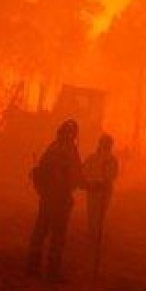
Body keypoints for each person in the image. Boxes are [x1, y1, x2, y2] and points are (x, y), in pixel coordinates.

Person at [26, 119, 83, 282]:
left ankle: (33, 267)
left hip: (49, 198)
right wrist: (89, 185)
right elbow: (74, 176)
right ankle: (51, 272)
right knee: (56, 236)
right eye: (71, 133)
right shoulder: (64, 150)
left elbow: (75, 175)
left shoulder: (55, 147)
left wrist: (90, 185)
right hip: (58, 198)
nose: (72, 136)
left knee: (41, 232)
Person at [82, 133, 119, 271]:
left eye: (108, 144)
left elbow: (113, 175)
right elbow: (84, 171)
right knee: (93, 215)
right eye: (106, 143)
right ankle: (92, 238)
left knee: (98, 215)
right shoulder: (93, 158)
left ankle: (94, 238)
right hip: (94, 190)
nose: (107, 146)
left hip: (103, 191)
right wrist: (92, 182)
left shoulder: (111, 160)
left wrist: (103, 182)